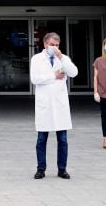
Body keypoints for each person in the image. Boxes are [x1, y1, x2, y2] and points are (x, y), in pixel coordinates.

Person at [30, 32, 78, 179]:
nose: (54, 48)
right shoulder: (37, 59)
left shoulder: (63, 59)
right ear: (45, 44)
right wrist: (53, 76)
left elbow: (73, 72)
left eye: (57, 45)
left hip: (60, 105)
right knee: (41, 139)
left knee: (62, 140)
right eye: (52, 45)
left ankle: (62, 169)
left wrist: (61, 57)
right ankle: (41, 169)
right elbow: (35, 79)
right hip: (44, 104)